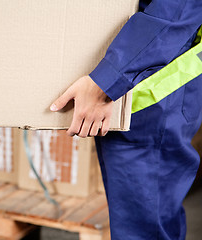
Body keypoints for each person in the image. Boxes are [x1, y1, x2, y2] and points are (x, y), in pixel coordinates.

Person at [50, 1, 202, 239]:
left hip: (153, 90)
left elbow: (176, 7)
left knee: (144, 228)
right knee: (143, 217)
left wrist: (105, 82)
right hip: (134, 75)